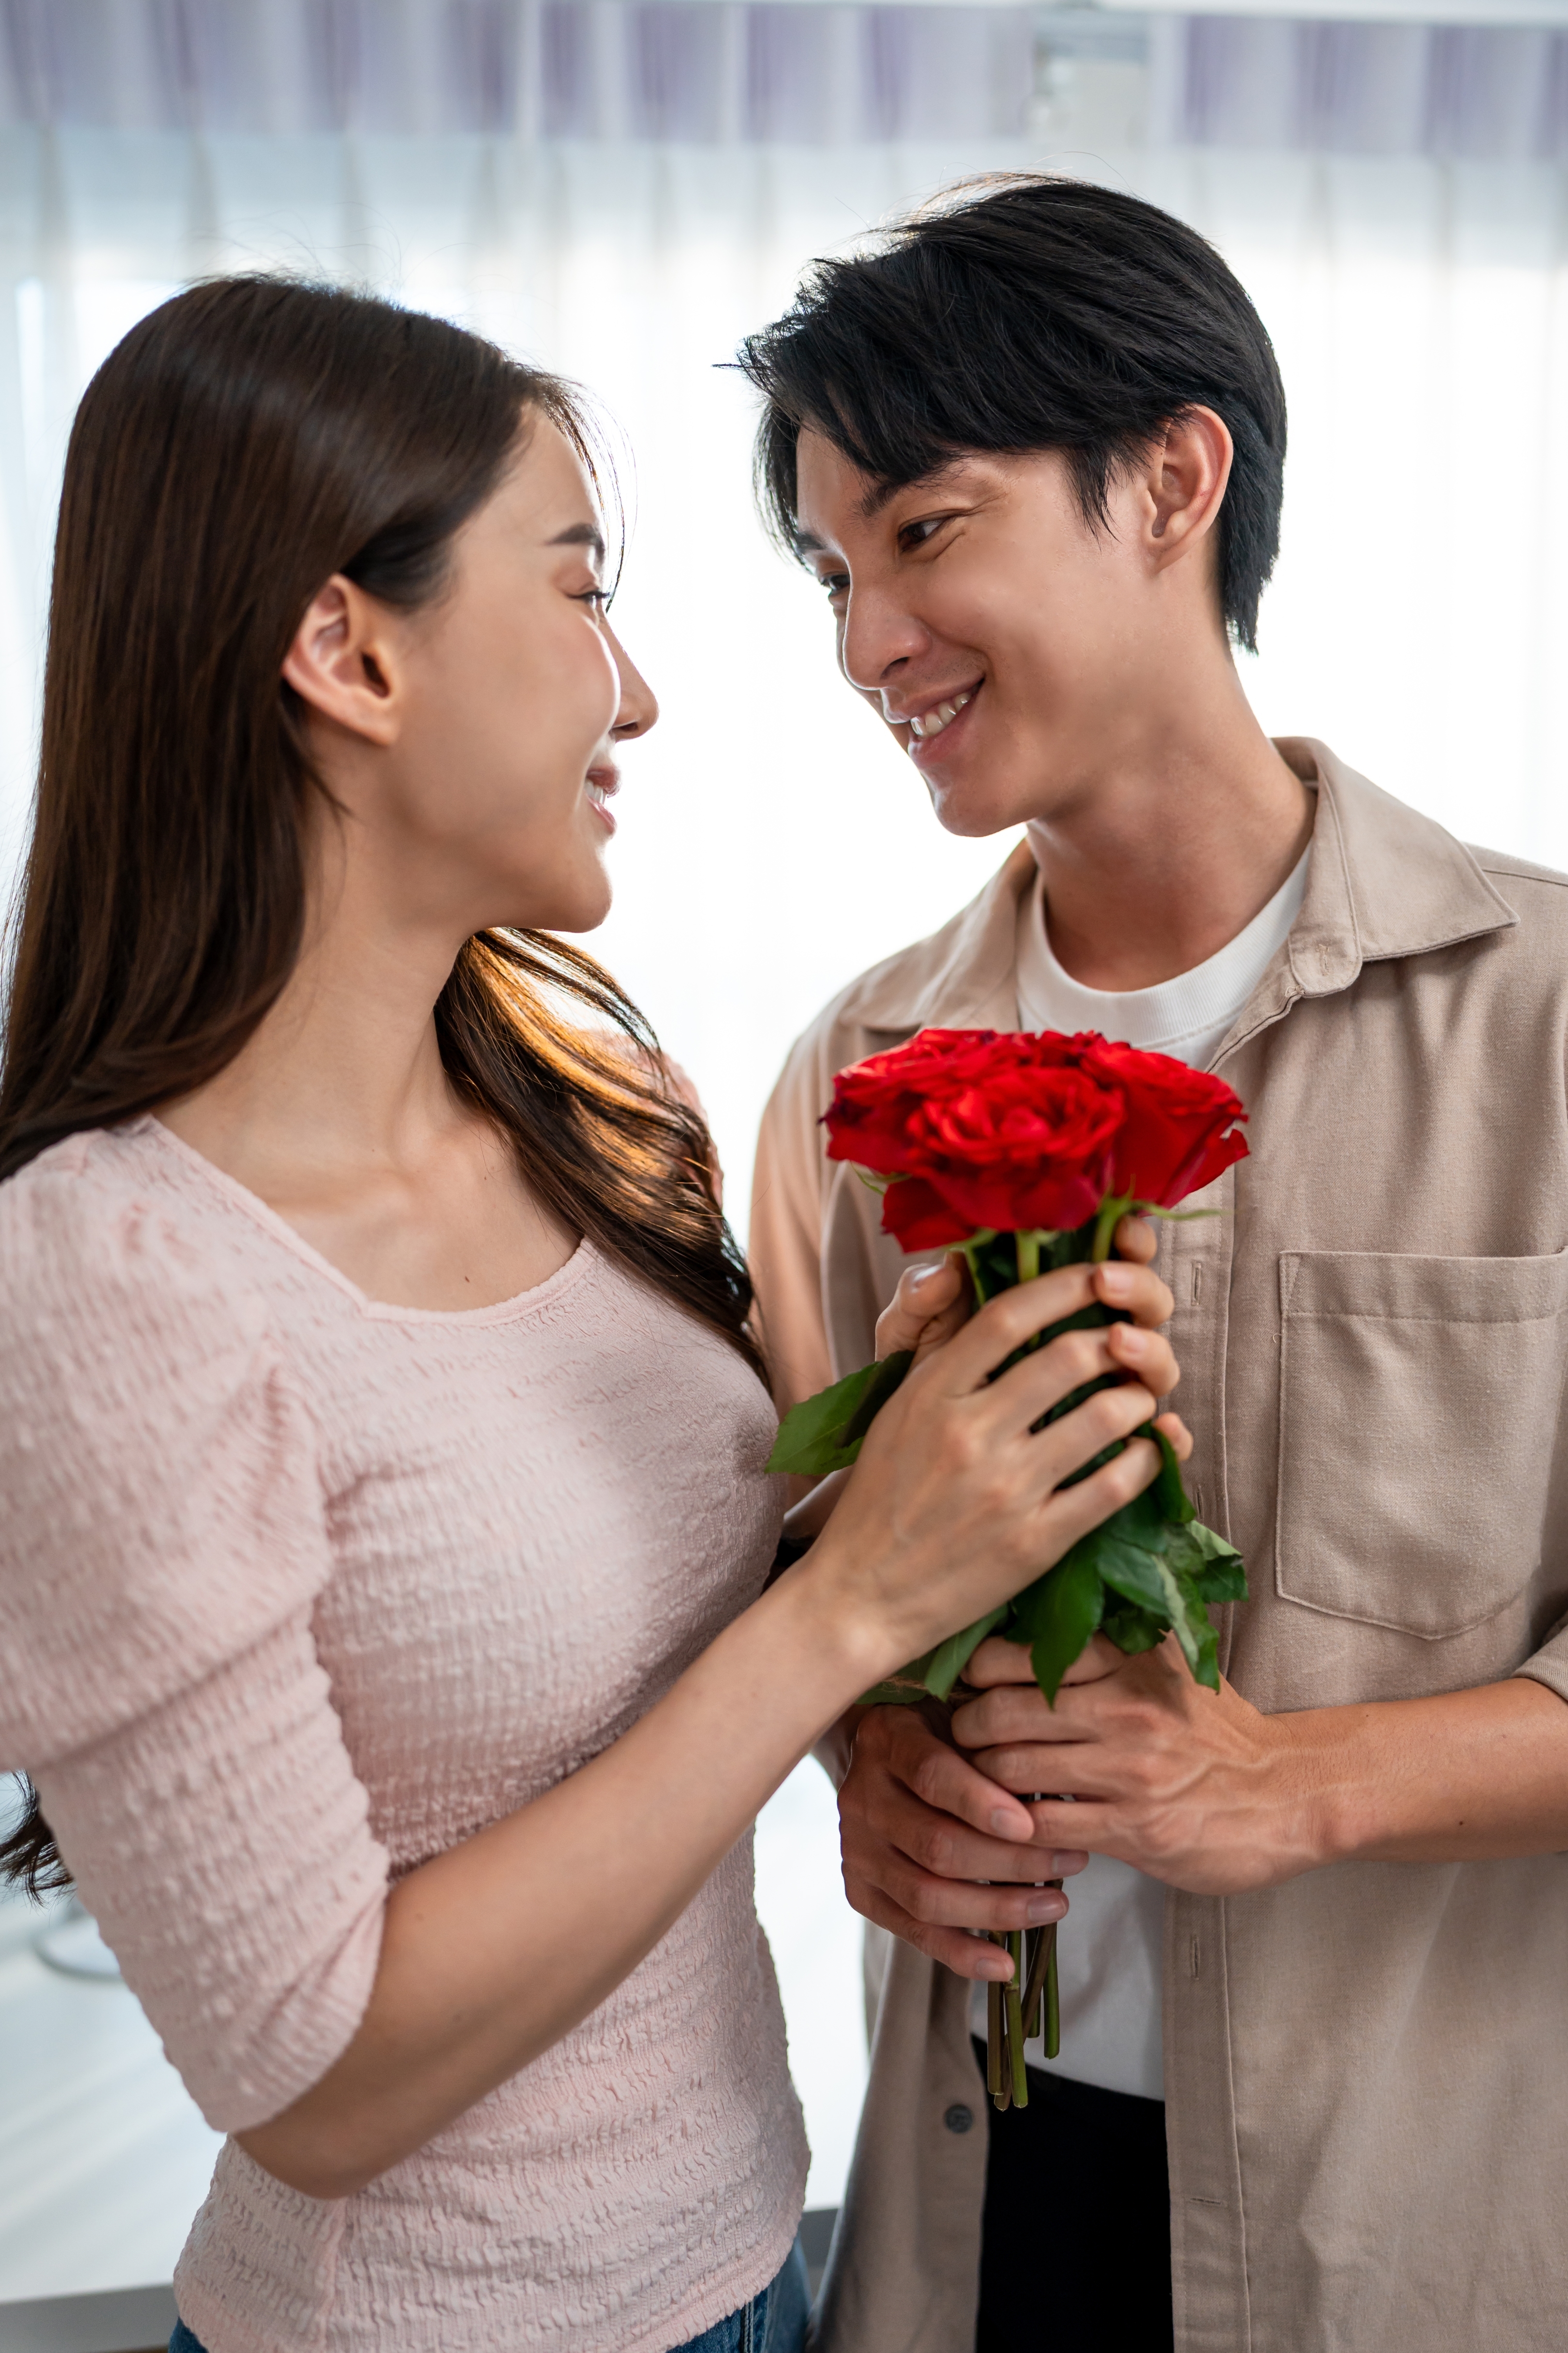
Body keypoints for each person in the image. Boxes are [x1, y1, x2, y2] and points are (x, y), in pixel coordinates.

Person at [0, 278, 1193, 2353]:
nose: (632, 696)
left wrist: (924, 1472)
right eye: (577, 593)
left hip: (754, 2268)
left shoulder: (573, 1109)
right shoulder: (112, 1274)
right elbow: (316, 2080)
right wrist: (837, 1615)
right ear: (347, 651)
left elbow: (637, 1633)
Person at [740, 174, 1568, 2353]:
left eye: (922, 531)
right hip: (983, 2208)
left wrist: (1289, 1787)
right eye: (836, 576)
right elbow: (813, 1572)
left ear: (1173, 481)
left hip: (1420, 2232)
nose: (867, 644)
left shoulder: (1552, 1015)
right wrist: (868, 1776)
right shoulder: (858, 1073)